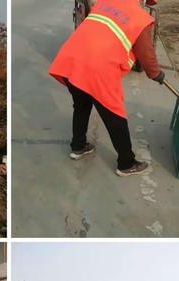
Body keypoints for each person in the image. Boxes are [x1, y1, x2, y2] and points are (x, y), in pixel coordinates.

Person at [49, 0, 164, 176]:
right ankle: (126, 163)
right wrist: (156, 74)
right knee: (114, 114)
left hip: (72, 59)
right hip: (98, 68)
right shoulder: (140, 18)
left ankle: (78, 146)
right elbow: (146, 54)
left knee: (81, 105)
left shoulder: (104, 2)